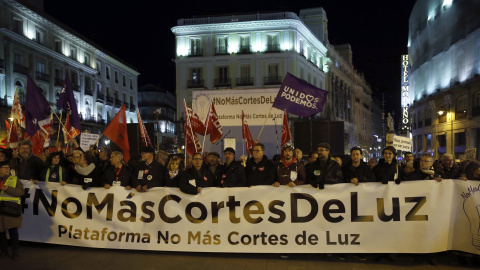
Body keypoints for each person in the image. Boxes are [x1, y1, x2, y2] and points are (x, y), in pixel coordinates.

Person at [0, 161, 25, 259]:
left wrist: (8, 189)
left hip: (11, 209)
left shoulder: (14, 179)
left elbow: (21, 192)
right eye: (4, 167)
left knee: (13, 232)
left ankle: (15, 251)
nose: (7, 169)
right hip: (1, 210)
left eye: (7, 167)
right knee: (1, 232)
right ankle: (4, 251)